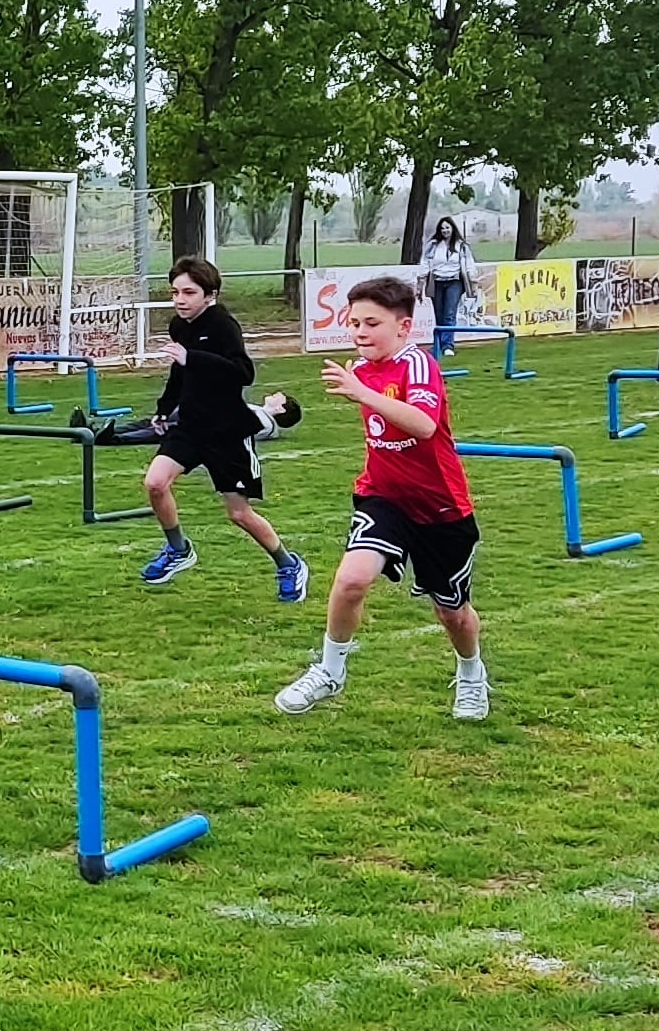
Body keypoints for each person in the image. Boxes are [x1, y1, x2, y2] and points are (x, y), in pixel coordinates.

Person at [274, 273, 488, 722]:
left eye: (371, 323)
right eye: (353, 323)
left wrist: (363, 393)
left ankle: (471, 673)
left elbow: (424, 426)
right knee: (351, 579)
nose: (359, 332)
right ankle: (330, 670)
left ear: (404, 327)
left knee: (452, 613)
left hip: (440, 507)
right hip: (382, 497)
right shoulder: (363, 371)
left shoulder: (416, 364)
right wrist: (363, 388)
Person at [131, 255, 306, 601]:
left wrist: (192, 358)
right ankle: (178, 551)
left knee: (239, 514)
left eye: (188, 292)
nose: (180, 299)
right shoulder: (179, 326)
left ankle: (288, 565)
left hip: (227, 431)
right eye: (175, 292)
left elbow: (243, 374)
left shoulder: (224, 326)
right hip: (191, 426)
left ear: (209, 294)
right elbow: (180, 374)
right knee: (155, 483)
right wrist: (164, 410)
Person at [421, 212, 477, 356]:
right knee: (439, 314)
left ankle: (448, 346)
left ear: (453, 228)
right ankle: (438, 345)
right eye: (442, 228)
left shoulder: (461, 246)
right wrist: (420, 283)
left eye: (447, 228)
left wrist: (473, 283)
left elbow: (469, 264)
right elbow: (425, 263)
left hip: (455, 282)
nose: (445, 231)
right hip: (437, 282)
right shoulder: (433, 246)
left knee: (449, 314)